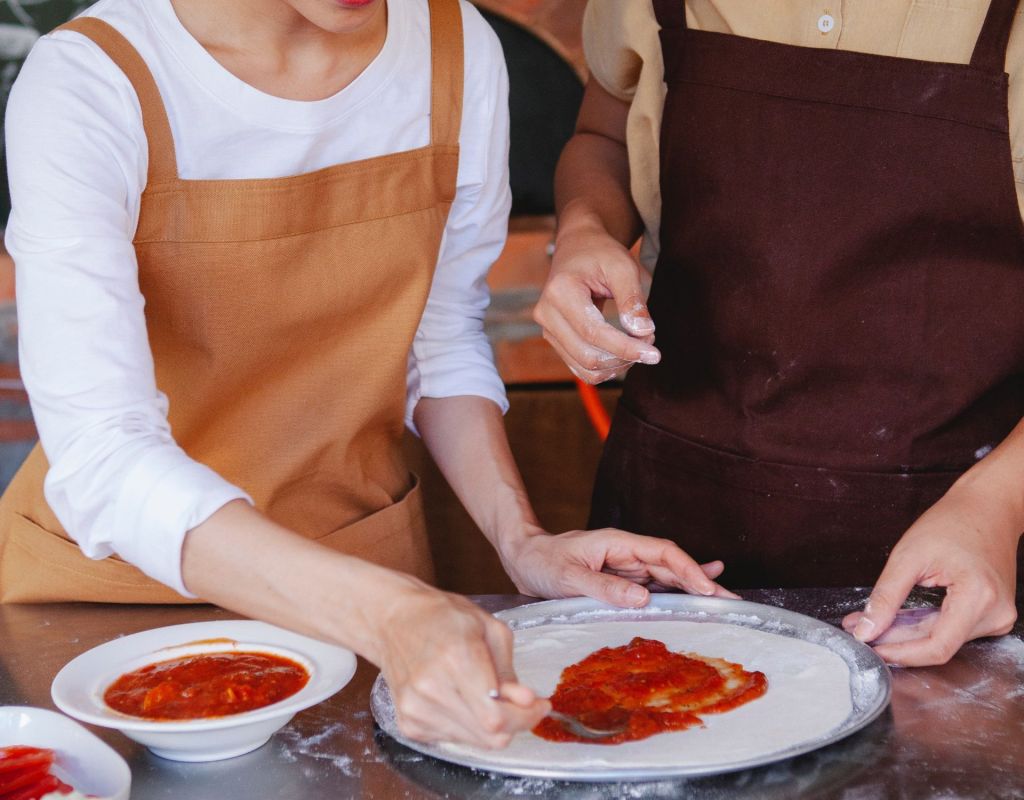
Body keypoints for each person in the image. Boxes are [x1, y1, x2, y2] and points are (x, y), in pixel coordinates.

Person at [0, 0, 737, 748]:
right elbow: (102, 453)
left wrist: (521, 542)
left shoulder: (454, 51)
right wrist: (388, 613)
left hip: (364, 569)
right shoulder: (92, 78)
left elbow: (438, 340)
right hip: (116, 603)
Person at [534, 0, 1024, 668]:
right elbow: (605, 134)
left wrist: (998, 502)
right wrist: (586, 229)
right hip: (669, 523)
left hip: (953, 545)